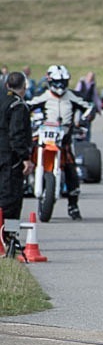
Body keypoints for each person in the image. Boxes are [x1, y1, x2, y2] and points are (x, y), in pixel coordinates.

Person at [28, 65, 95, 220]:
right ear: (50, 81)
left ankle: (73, 206)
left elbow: (89, 106)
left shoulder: (72, 96)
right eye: (57, 82)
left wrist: (85, 119)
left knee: (71, 169)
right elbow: (27, 106)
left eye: (63, 82)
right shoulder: (42, 96)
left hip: (63, 141)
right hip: (43, 139)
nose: (60, 86)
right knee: (25, 155)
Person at [0, 72, 34, 231]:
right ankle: (9, 235)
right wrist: (25, 158)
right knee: (11, 199)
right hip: (9, 158)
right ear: (24, 88)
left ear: (7, 85)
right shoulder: (17, 105)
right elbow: (17, 135)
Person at [74, 71, 103, 141]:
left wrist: (99, 108)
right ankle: (79, 136)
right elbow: (76, 92)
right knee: (80, 121)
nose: (90, 78)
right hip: (81, 105)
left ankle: (87, 139)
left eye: (92, 77)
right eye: (89, 76)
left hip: (89, 106)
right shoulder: (81, 83)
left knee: (88, 122)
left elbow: (95, 97)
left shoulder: (93, 85)